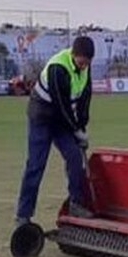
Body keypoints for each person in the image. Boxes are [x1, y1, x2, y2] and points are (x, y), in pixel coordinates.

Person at [14, 35, 95, 225]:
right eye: (81, 62)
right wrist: (76, 130)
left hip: (62, 120)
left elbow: (84, 98)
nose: (84, 66)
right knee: (36, 165)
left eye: (87, 63)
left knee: (75, 157)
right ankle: (23, 215)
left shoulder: (85, 67)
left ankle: (76, 203)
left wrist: (82, 125)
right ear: (74, 55)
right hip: (42, 117)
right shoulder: (58, 68)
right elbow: (62, 107)